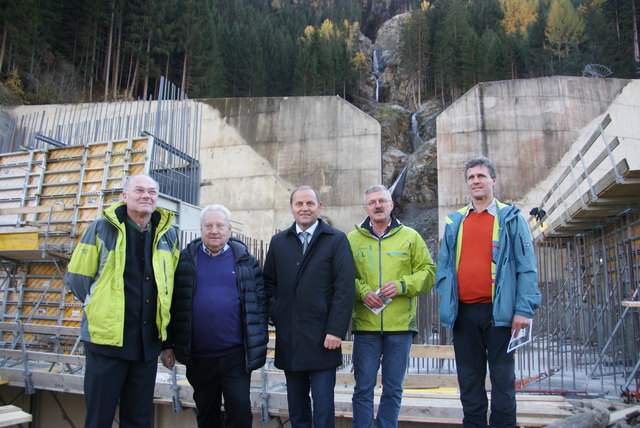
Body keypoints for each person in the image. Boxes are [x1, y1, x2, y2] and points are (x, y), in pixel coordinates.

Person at [65, 174, 180, 428]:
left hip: (146, 346)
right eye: (139, 190)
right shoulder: (101, 228)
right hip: (106, 344)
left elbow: (169, 291)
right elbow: (77, 279)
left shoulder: (167, 236)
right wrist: (100, 306)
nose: (146, 196)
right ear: (125, 196)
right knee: (99, 418)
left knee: (139, 420)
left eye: (152, 191)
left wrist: (166, 341)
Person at [435, 157, 541, 428]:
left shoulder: (510, 218)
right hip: (464, 314)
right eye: (471, 177)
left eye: (481, 176)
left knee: (503, 380)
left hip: (500, 315)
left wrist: (523, 310)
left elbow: (526, 267)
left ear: (493, 180)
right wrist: (447, 300)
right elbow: (444, 266)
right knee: (469, 380)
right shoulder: (456, 221)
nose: (476, 181)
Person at [160, 204, 268, 428]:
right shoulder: (185, 261)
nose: (214, 230)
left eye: (220, 225)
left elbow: (259, 304)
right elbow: (171, 305)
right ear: (201, 229)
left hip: (236, 355)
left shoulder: (246, 261)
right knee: (207, 413)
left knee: (239, 411)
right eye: (208, 226)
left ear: (229, 229)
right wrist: (167, 344)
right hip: (200, 357)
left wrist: (257, 342)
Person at [263, 185, 355, 428]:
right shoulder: (278, 242)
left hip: (325, 338)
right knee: (297, 406)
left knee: (324, 407)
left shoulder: (336, 240)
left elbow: (344, 289)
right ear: (292, 208)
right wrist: (278, 313)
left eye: (310, 203)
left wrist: (336, 330)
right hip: (291, 338)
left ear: (319, 207)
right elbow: (269, 283)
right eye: (299, 204)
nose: (304, 208)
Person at [348, 184, 436, 428]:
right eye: (372, 202)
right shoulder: (352, 239)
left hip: (400, 327)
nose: (378, 205)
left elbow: (428, 273)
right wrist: (363, 292)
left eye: (382, 201)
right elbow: (342, 277)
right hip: (366, 327)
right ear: (365, 208)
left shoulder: (411, 237)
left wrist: (402, 285)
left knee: (393, 388)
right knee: (363, 388)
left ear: (391, 204)